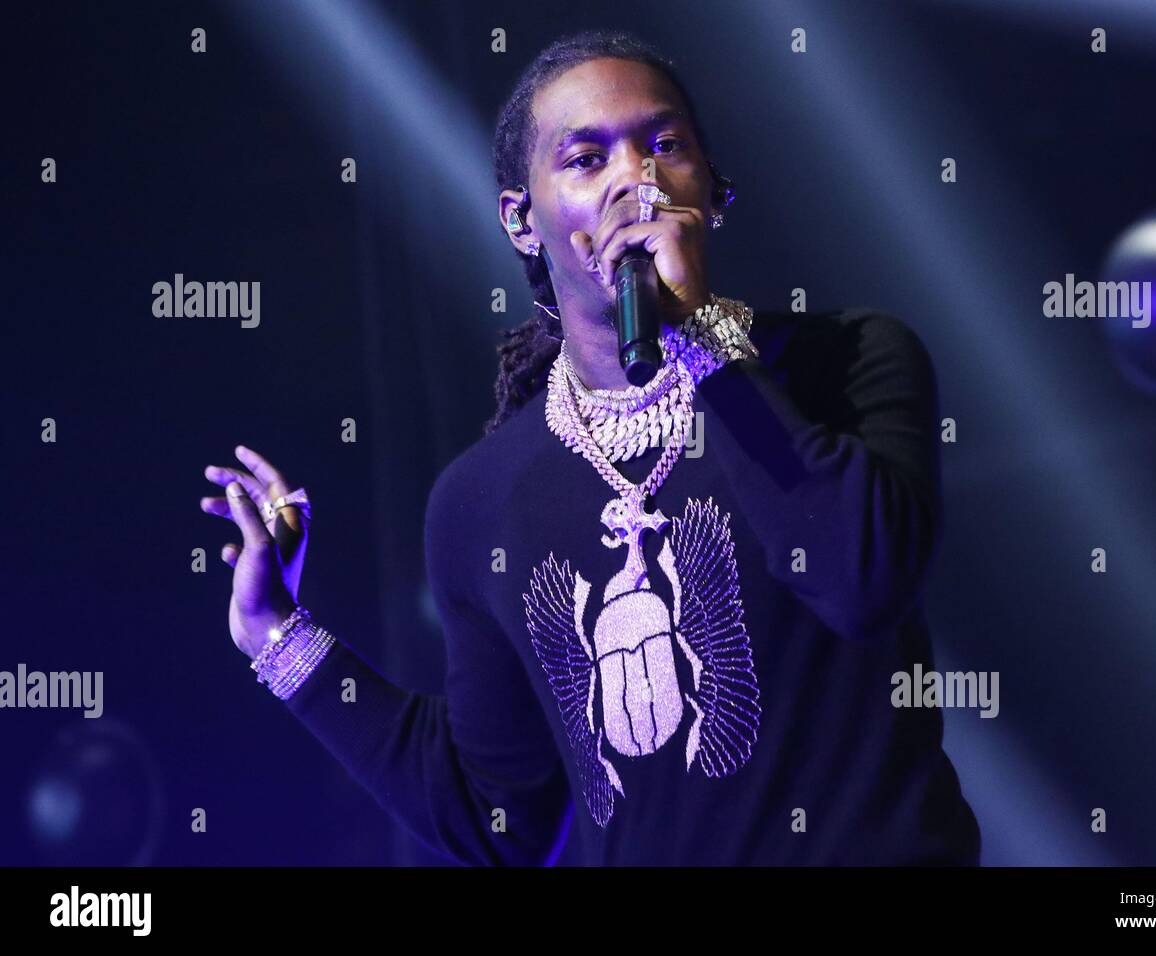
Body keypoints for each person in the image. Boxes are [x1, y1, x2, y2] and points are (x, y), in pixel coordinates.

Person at [199, 29, 980, 866]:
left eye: (665, 145)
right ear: (521, 220)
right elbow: (500, 816)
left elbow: (861, 579)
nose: (633, 180)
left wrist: (701, 348)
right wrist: (278, 636)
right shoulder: (482, 500)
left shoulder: (847, 361)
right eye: (584, 159)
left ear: (712, 188)